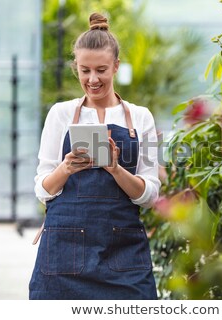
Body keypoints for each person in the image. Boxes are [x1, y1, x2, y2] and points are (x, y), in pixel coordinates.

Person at [29, 13, 160, 300]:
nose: (93, 79)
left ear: (116, 66)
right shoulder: (60, 114)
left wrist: (115, 169)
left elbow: (150, 195)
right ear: (75, 67)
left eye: (101, 70)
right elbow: (42, 189)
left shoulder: (140, 117)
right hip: (64, 252)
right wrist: (65, 168)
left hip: (122, 252)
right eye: (84, 70)